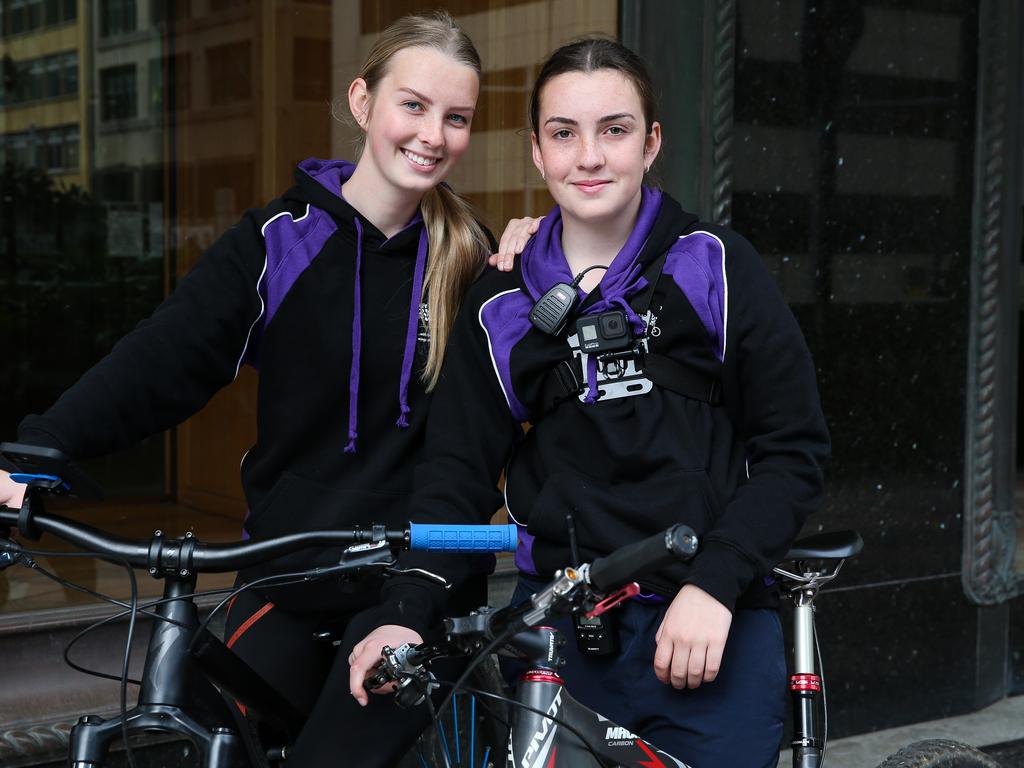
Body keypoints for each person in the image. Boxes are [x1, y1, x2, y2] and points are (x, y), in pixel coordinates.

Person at [0, 11, 536, 766]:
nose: (432, 134)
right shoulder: (278, 239)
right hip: (292, 573)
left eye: (457, 118)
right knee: (184, 722)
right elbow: (161, 360)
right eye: (412, 105)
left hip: (417, 587)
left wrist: (544, 254)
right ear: (362, 103)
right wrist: (33, 454)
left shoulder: (478, 262)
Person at [350, 37, 830, 767]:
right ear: (537, 153)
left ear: (651, 142)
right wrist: (402, 614)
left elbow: (794, 452)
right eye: (564, 133)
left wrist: (716, 583)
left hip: (711, 622)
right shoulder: (501, 303)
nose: (591, 157)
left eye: (615, 129)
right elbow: (454, 486)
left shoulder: (716, 266)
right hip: (559, 634)